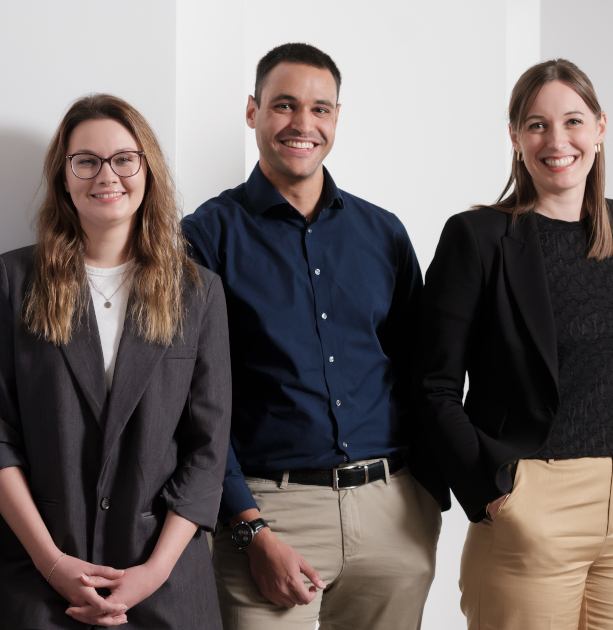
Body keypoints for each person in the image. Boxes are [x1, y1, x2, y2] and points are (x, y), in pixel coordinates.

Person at [418, 58, 613, 629]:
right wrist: (491, 493)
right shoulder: (478, 238)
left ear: (600, 128)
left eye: (573, 121)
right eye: (537, 125)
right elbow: (433, 386)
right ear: (515, 137)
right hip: (533, 502)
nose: (557, 141)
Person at [182, 43, 447, 630]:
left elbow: (422, 370)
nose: (303, 123)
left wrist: (425, 494)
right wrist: (248, 527)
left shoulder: (383, 233)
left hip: (393, 514)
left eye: (320, 108)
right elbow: (194, 401)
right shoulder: (206, 237)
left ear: (336, 117)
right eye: (284, 105)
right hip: (271, 515)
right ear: (252, 111)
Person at [0, 93, 231, 629]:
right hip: (43, 578)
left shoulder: (198, 292)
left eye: (124, 159)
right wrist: (53, 563)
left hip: (165, 578)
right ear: (63, 177)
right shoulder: (14, 281)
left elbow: (207, 450)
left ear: (147, 170)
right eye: (86, 161)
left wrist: (152, 574)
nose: (106, 175)